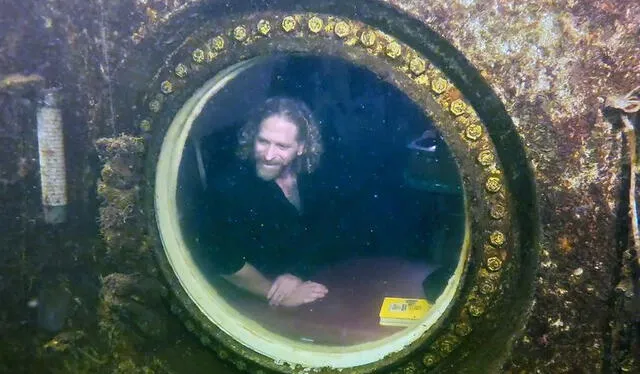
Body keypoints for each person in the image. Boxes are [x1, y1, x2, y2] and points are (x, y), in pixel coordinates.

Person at [203, 97, 331, 307]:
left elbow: (327, 229)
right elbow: (223, 261)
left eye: (282, 146)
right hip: (249, 300)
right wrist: (277, 295)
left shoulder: (314, 176)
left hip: (308, 280)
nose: (269, 155)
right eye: (263, 141)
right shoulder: (228, 188)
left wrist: (297, 273)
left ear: (301, 148)